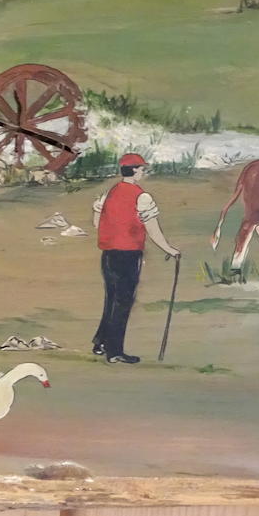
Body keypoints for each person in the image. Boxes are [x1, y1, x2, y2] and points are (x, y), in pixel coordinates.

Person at [91, 153, 180, 364]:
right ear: (134, 170)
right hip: (129, 254)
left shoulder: (109, 193)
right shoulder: (143, 197)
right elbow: (152, 229)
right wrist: (169, 249)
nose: (143, 172)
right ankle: (114, 351)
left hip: (109, 254)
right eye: (141, 169)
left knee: (112, 298)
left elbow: (97, 221)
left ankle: (101, 342)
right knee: (123, 302)